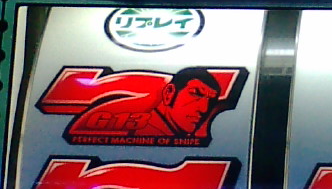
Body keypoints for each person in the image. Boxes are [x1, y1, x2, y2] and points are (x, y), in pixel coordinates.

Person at [67, 67, 222, 142]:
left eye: (211, 101)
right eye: (196, 94)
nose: (204, 109)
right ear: (169, 93)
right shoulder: (150, 130)